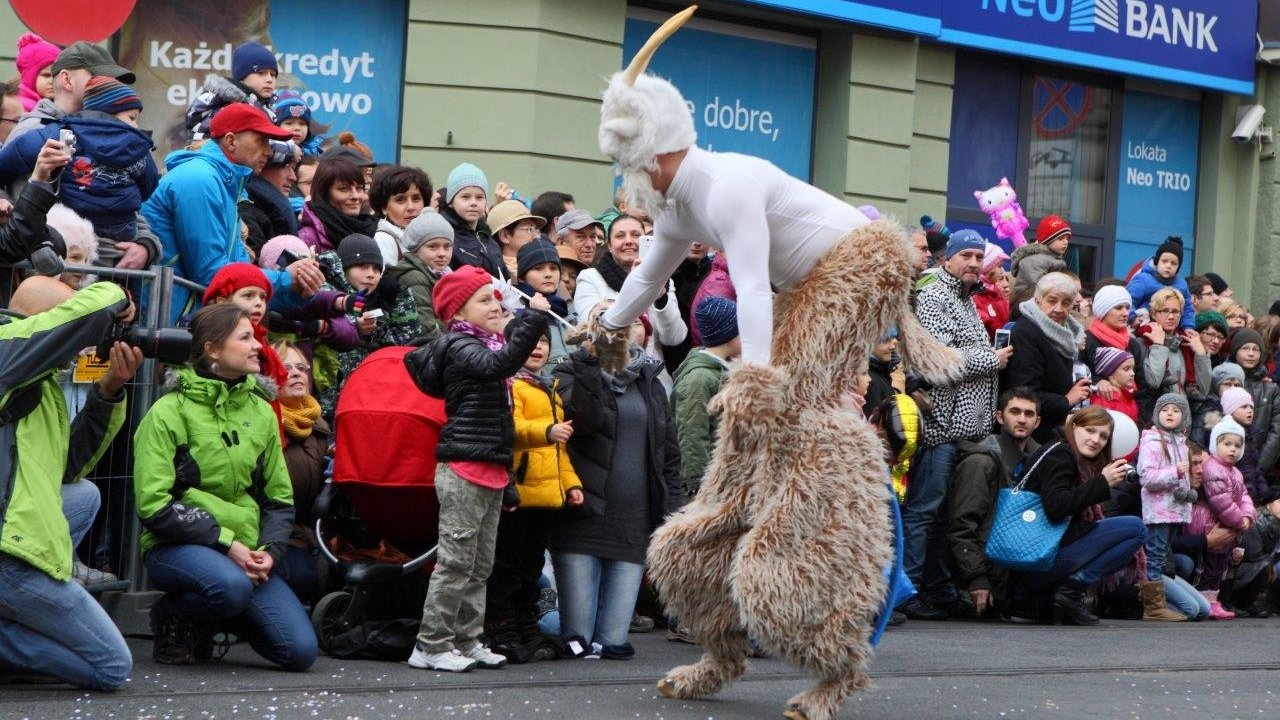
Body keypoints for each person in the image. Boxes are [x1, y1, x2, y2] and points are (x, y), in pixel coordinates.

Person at [133, 303, 316, 670]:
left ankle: (213, 616)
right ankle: (175, 614)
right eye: (245, 338)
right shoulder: (168, 411)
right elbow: (153, 505)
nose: (257, 347)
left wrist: (269, 553)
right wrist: (226, 543)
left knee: (299, 653)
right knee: (230, 587)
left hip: (245, 551)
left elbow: (278, 499)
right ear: (212, 349)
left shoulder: (262, 410)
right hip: (178, 545)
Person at [404, 265, 551, 673]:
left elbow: (500, 426)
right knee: (455, 563)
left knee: (479, 566)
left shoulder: (483, 344)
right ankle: (431, 644)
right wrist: (533, 316)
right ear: (458, 312)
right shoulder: (459, 346)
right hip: (463, 470)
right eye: (484, 299)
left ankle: (467, 640)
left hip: (488, 469)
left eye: (495, 297)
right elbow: (499, 364)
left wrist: (509, 484)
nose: (496, 304)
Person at [0, 277, 139, 690]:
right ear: (47, 325)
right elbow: (91, 310)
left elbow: (68, 468)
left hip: (14, 530)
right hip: (8, 554)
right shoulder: (6, 348)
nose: (80, 347)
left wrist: (110, 390)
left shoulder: (38, 384)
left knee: (84, 496)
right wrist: (119, 298)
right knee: (112, 666)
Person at [551, 301, 683, 660]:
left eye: (628, 323)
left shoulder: (650, 380)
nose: (620, 331)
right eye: (610, 323)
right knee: (577, 640)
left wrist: (672, 512)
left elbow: (667, 454)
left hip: (632, 523)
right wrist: (592, 365)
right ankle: (543, 621)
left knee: (612, 643)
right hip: (583, 518)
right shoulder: (571, 371)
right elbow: (587, 420)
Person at [901, 229, 1012, 620]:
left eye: (979, 257)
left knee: (945, 515)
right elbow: (940, 360)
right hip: (940, 427)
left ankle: (938, 589)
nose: (974, 263)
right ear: (947, 258)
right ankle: (906, 591)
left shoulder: (966, 298)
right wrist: (991, 360)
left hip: (965, 429)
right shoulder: (934, 296)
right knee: (924, 511)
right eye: (966, 255)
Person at [142, 103, 323, 322]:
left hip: (188, 322)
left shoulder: (227, 184)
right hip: (164, 323)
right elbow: (211, 274)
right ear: (230, 141)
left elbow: (240, 273)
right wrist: (285, 279)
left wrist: (297, 288)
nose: (269, 150)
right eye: (261, 140)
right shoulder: (200, 179)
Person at [485, 330, 584, 664]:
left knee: (531, 566)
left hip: (545, 496)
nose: (538, 347)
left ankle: (526, 625)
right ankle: (501, 627)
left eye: (543, 342)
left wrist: (570, 484)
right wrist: (545, 431)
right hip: (517, 493)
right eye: (530, 342)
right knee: (507, 566)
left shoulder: (550, 390)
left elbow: (559, 451)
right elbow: (507, 429)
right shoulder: (510, 385)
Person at [1012, 406, 1146, 625]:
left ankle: (1056, 597)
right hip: (1035, 559)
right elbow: (1055, 507)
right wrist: (1102, 483)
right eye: (1090, 430)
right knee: (1135, 529)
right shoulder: (1061, 453)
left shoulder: (1067, 455)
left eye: (1103, 436)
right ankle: (1070, 592)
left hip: (1035, 560)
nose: (1096, 440)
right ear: (1073, 427)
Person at [947, 388, 1041, 619]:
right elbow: (961, 526)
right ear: (1000, 417)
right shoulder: (981, 462)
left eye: (1029, 414)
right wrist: (976, 578)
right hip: (979, 580)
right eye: (1015, 412)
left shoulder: (1040, 462)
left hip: (1014, 580)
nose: (1021, 419)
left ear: (1037, 422)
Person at [314, 233, 420, 418]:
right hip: (330, 401)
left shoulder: (390, 294)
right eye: (362, 266)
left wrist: (380, 324)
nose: (371, 274)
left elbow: (409, 340)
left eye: (376, 269)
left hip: (376, 395)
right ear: (343, 269)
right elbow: (330, 322)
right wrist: (355, 327)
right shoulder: (323, 288)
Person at [575, 214, 687, 379]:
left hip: (653, 378)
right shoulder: (590, 277)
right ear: (609, 246)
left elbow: (675, 338)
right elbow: (595, 327)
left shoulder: (662, 278)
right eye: (620, 236)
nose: (629, 241)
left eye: (636, 235)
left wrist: (661, 297)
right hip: (609, 374)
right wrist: (634, 287)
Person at [272, 340, 330, 605]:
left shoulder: (320, 426)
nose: (296, 373)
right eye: (285, 367)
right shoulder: (266, 423)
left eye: (301, 367)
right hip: (279, 538)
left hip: (313, 536)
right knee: (305, 580)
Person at [1002, 272, 1088, 441]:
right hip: (1029, 435)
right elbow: (1024, 391)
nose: (1058, 309)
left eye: (1066, 303)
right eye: (1052, 300)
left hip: (1050, 427)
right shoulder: (1025, 332)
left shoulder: (1065, 333)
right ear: (1038, 300)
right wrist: (1066, 400)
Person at [1135, 393, 1196, 621]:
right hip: (1159, 511)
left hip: (1174, 510)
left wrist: (1187, 492)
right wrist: (1176, 473)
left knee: (1161, 556)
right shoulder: (1152, 442)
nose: (1170, 414)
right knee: (1155, 554)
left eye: (1176, 410)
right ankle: (1153, 607)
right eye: (1165, 410)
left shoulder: (1181, 442)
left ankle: (1158, 602)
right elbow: (1147, 478)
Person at [671, 297, 740, 498]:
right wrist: (698, 487)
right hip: (708, 487)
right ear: (731, 336)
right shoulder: (698, 379)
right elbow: (692, 433)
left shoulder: (726, 371)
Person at [10, 41, 135, 144]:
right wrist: (39, 175)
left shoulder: (111, 130)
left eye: (113, 80)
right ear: (67, 80)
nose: (110, 85)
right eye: (99, 77)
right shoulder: (30, 132)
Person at [1193, 417, 1256, 619]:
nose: (1233, 449)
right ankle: (1205, 599)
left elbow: (1244, 496)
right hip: (1208, 523)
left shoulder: (1235, 471)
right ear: (1215, 444)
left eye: (1238, 445)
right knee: (1208, 565)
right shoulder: (1213, 468)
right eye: (1227, 444)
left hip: (1227, 523)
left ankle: (1214, 599)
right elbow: (1221, 502)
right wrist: (1239, 521)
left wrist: (1248, 515)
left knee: (1220, 565)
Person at [1138, 288, 1209, 419]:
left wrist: (1201, 354)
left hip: (1184, 422)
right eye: (1164, 311)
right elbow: (1153, 382)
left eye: (1176, 312)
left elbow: (1203, 391)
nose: (1171, 316)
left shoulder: (1185, 344)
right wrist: (1158, 345)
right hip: (1154, 421)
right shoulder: (1141, 343)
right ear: (1153, 314)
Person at [185, 42, 278, 139]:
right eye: (261, 73)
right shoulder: (228, 106)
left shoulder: (270, 108)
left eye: (273, 75)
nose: (269, 79)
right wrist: (289, 148)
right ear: (242, 77)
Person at [392, 211, 454, 340]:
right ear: (416, 249)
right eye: (433, 247)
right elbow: (426, 328)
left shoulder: (445, 274)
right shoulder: (413, 277)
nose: (442, 253)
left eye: (447, 247)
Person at [297, 158, 378, 254]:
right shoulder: (308, 239)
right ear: (324, 194)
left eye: (359, 188)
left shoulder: (371, 231)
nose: (355, 196)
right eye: (344, 189)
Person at [1230, 327, 1280, 476]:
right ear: (1235, 351)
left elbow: (1277, 432)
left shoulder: (1271, 389)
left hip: (1260, 470)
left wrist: (1258, 468)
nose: (1251, 353)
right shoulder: (1224, 383)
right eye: (1245, 348)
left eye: (1256, 349)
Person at [516, 237, 572, 367]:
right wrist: (534, 314)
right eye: (538, 268)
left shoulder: (566, 309)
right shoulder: (515, 311)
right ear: (521, 277)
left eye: (553, 268)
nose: (548, 274)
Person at [440, 162, 502, 277]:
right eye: (465, 197)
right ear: (451, 202)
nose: (473, 203)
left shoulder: (489, 239)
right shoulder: (444, 237)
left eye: (479, 197)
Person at [240, 139, 300, 255]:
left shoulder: (267, 209)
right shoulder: (246, 211)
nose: (293, 177)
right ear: (261, 166)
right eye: (285, 167)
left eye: (293, 168)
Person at [1126, 237, 1195, 331]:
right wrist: (1132, 318)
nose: (1168, 266)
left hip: (1171, 331)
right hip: (1143, 327)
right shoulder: (1143, 279)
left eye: (1173, 263)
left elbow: (1187, 309)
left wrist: (1188, 327)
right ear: (1157, 262)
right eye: (1164, 261)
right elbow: (1129, 300)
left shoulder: (1182, 285)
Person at [370, 165, 431, 266]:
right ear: (384, 207)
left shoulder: (428, 237)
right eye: (400, 200)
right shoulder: (383, 241)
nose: (411, 207)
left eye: (416, 199)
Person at [1010, 214, 1070, 295]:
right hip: (1026, 301)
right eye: (1060, 238)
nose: (1065, 242)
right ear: (1047, 240)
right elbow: (1039, 286)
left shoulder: (1053, 258)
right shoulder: (1034, 260)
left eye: (1067, 238)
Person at [489, 200, 545, 281]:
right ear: (505, 236)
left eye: (536, 229)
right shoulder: (495, 275)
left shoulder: (546, 264)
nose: (537, 237)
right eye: (529, 229)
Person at [1089, 347, 1138, 424]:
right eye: (1126, 369)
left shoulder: (1128, 395)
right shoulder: (1104, 397)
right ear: (1110, 372)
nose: (1132, 373)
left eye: (1133, 369)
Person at [974, 242, 1010, 342]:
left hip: (1001, 341)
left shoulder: (995, 288)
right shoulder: (976, 294)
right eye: (999, 266)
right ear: (988, 270)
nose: (1001, 269)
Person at [274, 90, 325, 156]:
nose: (297, 128)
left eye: (302, 124)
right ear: (276, 125)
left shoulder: (314, 153)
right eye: (289, 123)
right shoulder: (268, 151)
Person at [16, 33, 58, 112]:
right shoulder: (23, 107)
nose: (52, 81)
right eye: (46, 75)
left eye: (57, 75)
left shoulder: (59, 105)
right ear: (29, 78)